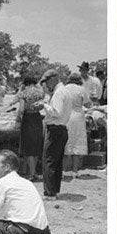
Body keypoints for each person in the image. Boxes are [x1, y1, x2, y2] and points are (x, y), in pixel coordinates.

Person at [39, 68, 71, 199]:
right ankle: (54, 189)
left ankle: (49, 192)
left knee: (49, 160)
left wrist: (44, 105)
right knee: (57, 162)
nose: (46, 85)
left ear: (53, 79)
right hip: (62, 128)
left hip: (55, 129)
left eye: (47, 81)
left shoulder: (58, 93)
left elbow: (56, 112)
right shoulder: (65, 91)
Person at [13, 72, 45, 179]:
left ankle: (31, 173)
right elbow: (42, 106)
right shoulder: (40, 93)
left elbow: (21, 109)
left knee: (28, 147)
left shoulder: (24, 93)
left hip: (28, 119)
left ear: (25, 83)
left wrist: (18, 120)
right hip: (37, 118)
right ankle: (33, 171)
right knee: (35, 146)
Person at [64, 72, 90, 178]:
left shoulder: (64, 88)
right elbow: (87, 103)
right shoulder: (81, 89)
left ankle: (64, 170)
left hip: (66, 116)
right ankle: (75, 171)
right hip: (78, 116)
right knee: (77, 143)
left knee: (66, 142)